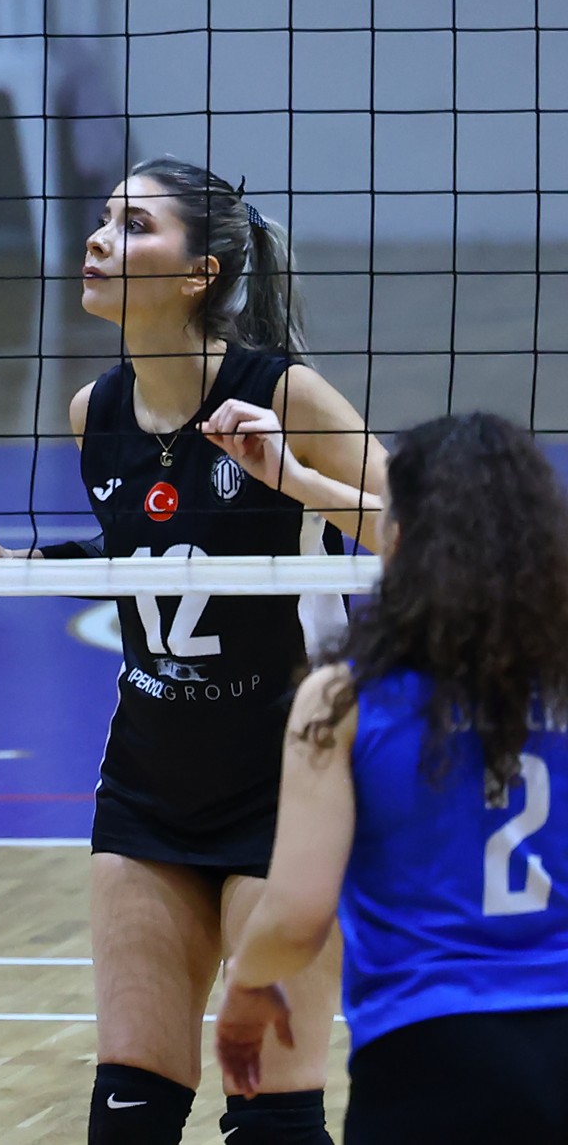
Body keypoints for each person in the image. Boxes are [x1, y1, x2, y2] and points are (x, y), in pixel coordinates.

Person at [0, 157, 389, 1145]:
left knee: (272, 1122)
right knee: (129, 1120)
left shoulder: (284, 394)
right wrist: (17, 565)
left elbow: (425, 534)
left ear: (200, 273)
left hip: (287, 788)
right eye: (104, 218)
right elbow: (145, 552)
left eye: (134, 225)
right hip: (149, 787)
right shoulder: (94, 412)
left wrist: (294, 477)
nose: (99, 239)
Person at [216, 412, 568, 1145]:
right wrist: (296, 479)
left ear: (397, 540)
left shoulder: (342, 699)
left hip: (424, 1051)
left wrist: (247, 985)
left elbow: (298, 914)